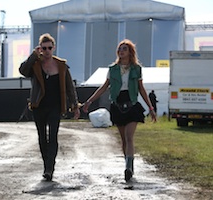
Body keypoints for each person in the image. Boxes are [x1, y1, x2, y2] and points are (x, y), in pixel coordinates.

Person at [83, 39, 156, 182]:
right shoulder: (113, 69)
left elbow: (141, 89)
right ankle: (129, 164)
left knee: (129, 137)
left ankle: (128, 168)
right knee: (123, 140)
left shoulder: (136, 69)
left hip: (132, 104)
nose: (121, 51)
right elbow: (104, 87)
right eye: (120, 49)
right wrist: (89, 101)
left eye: (124, 49)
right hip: (117, 104)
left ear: (130, 52)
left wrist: (151, 107)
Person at [19, 33, 80, 181]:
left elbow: (69, 86)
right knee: (42, 137)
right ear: (40, 48)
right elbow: (23, 71)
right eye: (43, 48)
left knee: (53, 136)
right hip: (38, 105)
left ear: (54, 48)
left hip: (55, 106)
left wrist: (75, 105)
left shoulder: (61, 65)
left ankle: (49, 168)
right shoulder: (35, 64)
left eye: (49, 48)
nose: (46, 51)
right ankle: (46, 163)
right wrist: (33, 56)